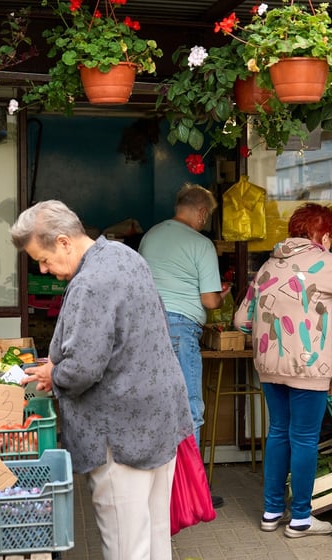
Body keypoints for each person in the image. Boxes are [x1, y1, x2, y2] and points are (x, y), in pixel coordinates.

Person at [11, 200, 193, 560]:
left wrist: (55, 373)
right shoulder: (124, 256)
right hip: (158, 418)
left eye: (43, 259)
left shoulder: (91, 282)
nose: (45, 270)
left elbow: (82, 369)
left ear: (63, 241)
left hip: (121, 429)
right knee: (155, 535)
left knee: (126, 544)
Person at [233, 203, 332, 538]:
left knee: (278, 432)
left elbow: (241, 321)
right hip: (309, 366)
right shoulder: (330, 263)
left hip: (269, 366)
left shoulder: (267, 267)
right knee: (304, 438)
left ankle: (272, 511)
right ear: (325, 235)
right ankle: (301, 518)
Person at [139, 183, 229, 509]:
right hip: (179, 329)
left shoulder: (150, 235)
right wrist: (224, 295)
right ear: (202, 212)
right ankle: (190, 492)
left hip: (146, 329)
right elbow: (209, 300)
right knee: (190, 409)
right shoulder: (201, 244)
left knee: (155, 406)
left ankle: (157, 487)